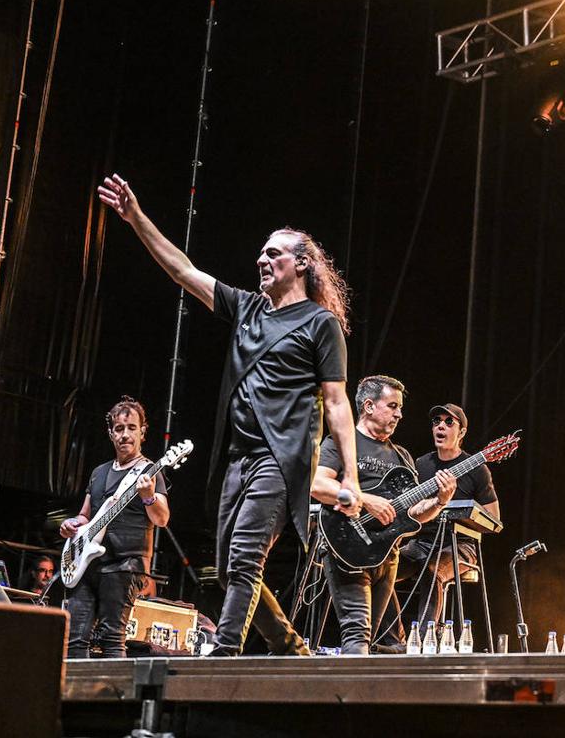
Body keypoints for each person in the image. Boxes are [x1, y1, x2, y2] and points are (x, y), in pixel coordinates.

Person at [96, 175, 362, 656]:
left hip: (281, 460)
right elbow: (182, 270)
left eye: (274, 252)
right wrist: (135, 217)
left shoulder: (321, 326)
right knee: (231, 564)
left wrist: (352, 477)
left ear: (302, 263)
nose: (262, 258)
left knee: (244, 558)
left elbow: (339, 402)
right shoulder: (246, 309)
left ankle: (223, 652)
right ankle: (292, 649)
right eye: (261, 252)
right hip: (237, 460)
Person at [310, 375, 455, 655]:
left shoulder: (402, 456)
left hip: (387, 555)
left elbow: (413, 514)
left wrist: (439, 501)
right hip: (346, 547)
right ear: (368, 405)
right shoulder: (342, 442)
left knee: (372, 639)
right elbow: (317, 484)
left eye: (399, 407)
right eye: (392, 406)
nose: (399, 414)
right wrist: (365, 500)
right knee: (357, 634)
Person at [59, 398, 169, 658]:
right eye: (119, 429)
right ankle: (75, 697)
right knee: (74, 638)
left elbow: (162, 518)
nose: (125, 434)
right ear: (111, 434)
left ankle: (111, 699)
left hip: (124, 564)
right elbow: (86, 516)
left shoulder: (150, 472)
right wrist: (72, 524)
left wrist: (149, 496)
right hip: (87, 564)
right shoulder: (99, 472)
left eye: (132, 427)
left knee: (112, 638)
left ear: (142, 432)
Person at [386, 402, 499, 646]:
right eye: (437, 421)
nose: (441, 426)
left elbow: (494, 519)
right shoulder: (420, 464)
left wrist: (457, 511)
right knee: (383, 568)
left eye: (449, 422)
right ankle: (397, 640)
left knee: (432, 571)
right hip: (421, 542)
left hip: (460, 547)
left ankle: (427, 639)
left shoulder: (477, 469)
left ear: (462, 432)